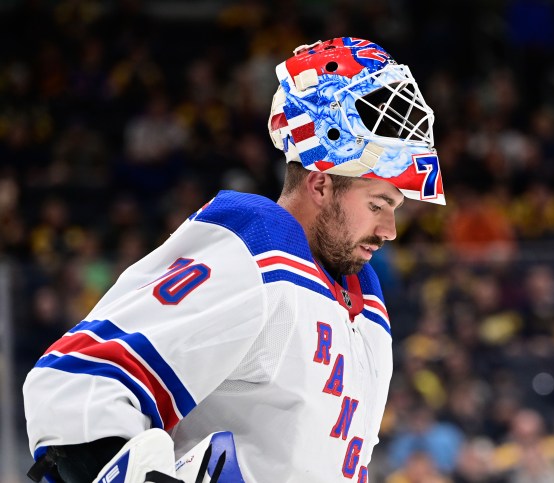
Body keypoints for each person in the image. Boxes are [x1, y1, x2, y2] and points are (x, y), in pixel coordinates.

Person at [23, 37, 444, 483]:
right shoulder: (261, 242)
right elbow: (81, 384)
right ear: (320, 185)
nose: (390, 230)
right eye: (378, 204)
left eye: (395, 209)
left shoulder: (366, 297)